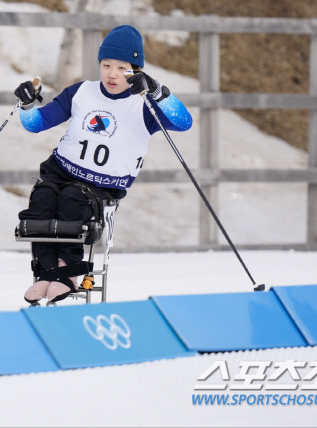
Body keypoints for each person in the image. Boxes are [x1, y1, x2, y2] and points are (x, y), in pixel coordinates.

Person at [13, 25, 193, 305]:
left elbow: (184, 122)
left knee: (73, 200)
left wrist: (158, 92)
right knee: (43, 199)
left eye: (122, 68)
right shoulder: (81, 93)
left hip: (100, 186)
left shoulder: (143, 104)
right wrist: (26, 105)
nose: (111, 73)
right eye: (106, 65)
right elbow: (37, 124)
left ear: (136, 71)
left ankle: (67, 275)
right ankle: (45, 272)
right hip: (60, 169)